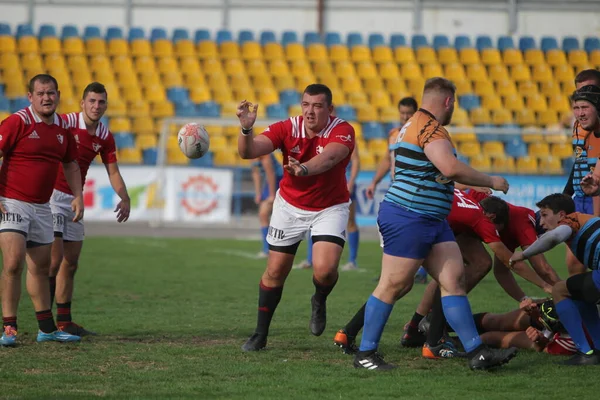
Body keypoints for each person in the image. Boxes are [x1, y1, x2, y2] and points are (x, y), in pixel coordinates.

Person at [353, 77, 517, 371]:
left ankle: (476, 352)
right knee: (393, 284)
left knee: (453, 279)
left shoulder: (413, 124)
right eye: (454, 103)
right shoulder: (429, 128)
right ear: (448, 101)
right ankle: (365, 353)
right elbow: (450, 167)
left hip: (430, 218)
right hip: (409, 216)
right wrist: (492, 180)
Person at [335, 189, 552, 358]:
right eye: (496, 229)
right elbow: (508, 260)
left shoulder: (474, 197)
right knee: (399, 284)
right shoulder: (482, 218)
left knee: (460, 270)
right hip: (411, 221)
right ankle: (423, 335)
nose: (493, 234)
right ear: (492, 216)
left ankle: (421, 332)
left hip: (410, 217)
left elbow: (458, 182)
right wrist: (545, 286)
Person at [236, 84, 356, 351]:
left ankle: (319, 299)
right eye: (305, 105)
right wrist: (246, 129)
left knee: (325, 272)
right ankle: (260, 333)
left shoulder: (342, 129)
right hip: (289, 206)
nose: (310, 112)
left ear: (330, 109)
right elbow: (247, 152)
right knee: (275, 271)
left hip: (330, 207)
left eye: (317, 106)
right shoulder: (287, 128)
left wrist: (303, 168)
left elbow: (330, 157)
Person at [0, 74, 83, 346]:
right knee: (13, 263)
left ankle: (46, 330)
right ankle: (10, 328)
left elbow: (71, 164)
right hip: (12, 201)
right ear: (30, 97)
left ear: (57, 95)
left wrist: (78, 195)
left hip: (42, 207)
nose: (47, 98)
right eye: (41, 93)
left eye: (51, 93)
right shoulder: (18, 122)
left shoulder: (62, 129)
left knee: (41, 268)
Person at [48, 82, 130, 336]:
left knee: (71, 263)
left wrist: (125, 197)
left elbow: (112, 170)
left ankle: (64, 321)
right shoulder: (64, 122)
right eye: (92, 101)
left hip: (74, 200)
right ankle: (45, 322)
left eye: (101, 102)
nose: (96, 106)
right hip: (50, 197)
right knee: (53, 262)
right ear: (82, 103)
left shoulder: (105, 136)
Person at [509, 193, 600, 365]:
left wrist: (523, 254)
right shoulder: (586, 222)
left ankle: (585, 352)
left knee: (559, 290)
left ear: (561, 215)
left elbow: (554, 238)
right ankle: (597, 349)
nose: (541, 222)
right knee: (579, 295)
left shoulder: (571, 221)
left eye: (544, 215)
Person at [365, 97, 427, 282]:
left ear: (416, 113)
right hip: (396, 186)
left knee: (415, 229)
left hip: (415, 188)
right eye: (403, 113)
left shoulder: (422, 134)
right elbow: (387, 159)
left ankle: (421, 273)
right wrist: (374, 182)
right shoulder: (394, 134)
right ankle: (391, 272)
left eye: (409, 113)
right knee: (390, 228)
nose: (405, 116)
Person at [562, 71, 600, 276]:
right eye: (579, 92)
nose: (583, 95)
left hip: (596, 195)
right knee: (575, 264)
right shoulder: (578, 125)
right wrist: (566, 195)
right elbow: (579, 163)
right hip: (582, 196)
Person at [251, 153, 283, 258]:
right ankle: (267, 249)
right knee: (263, 215)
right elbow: (256, 173)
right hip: (269, 184)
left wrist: (272, 195)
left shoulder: (264, 153)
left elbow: (271, 174)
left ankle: (268, 249)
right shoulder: (250, 154)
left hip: (280, 181)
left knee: (264, 214)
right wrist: (258, 193)